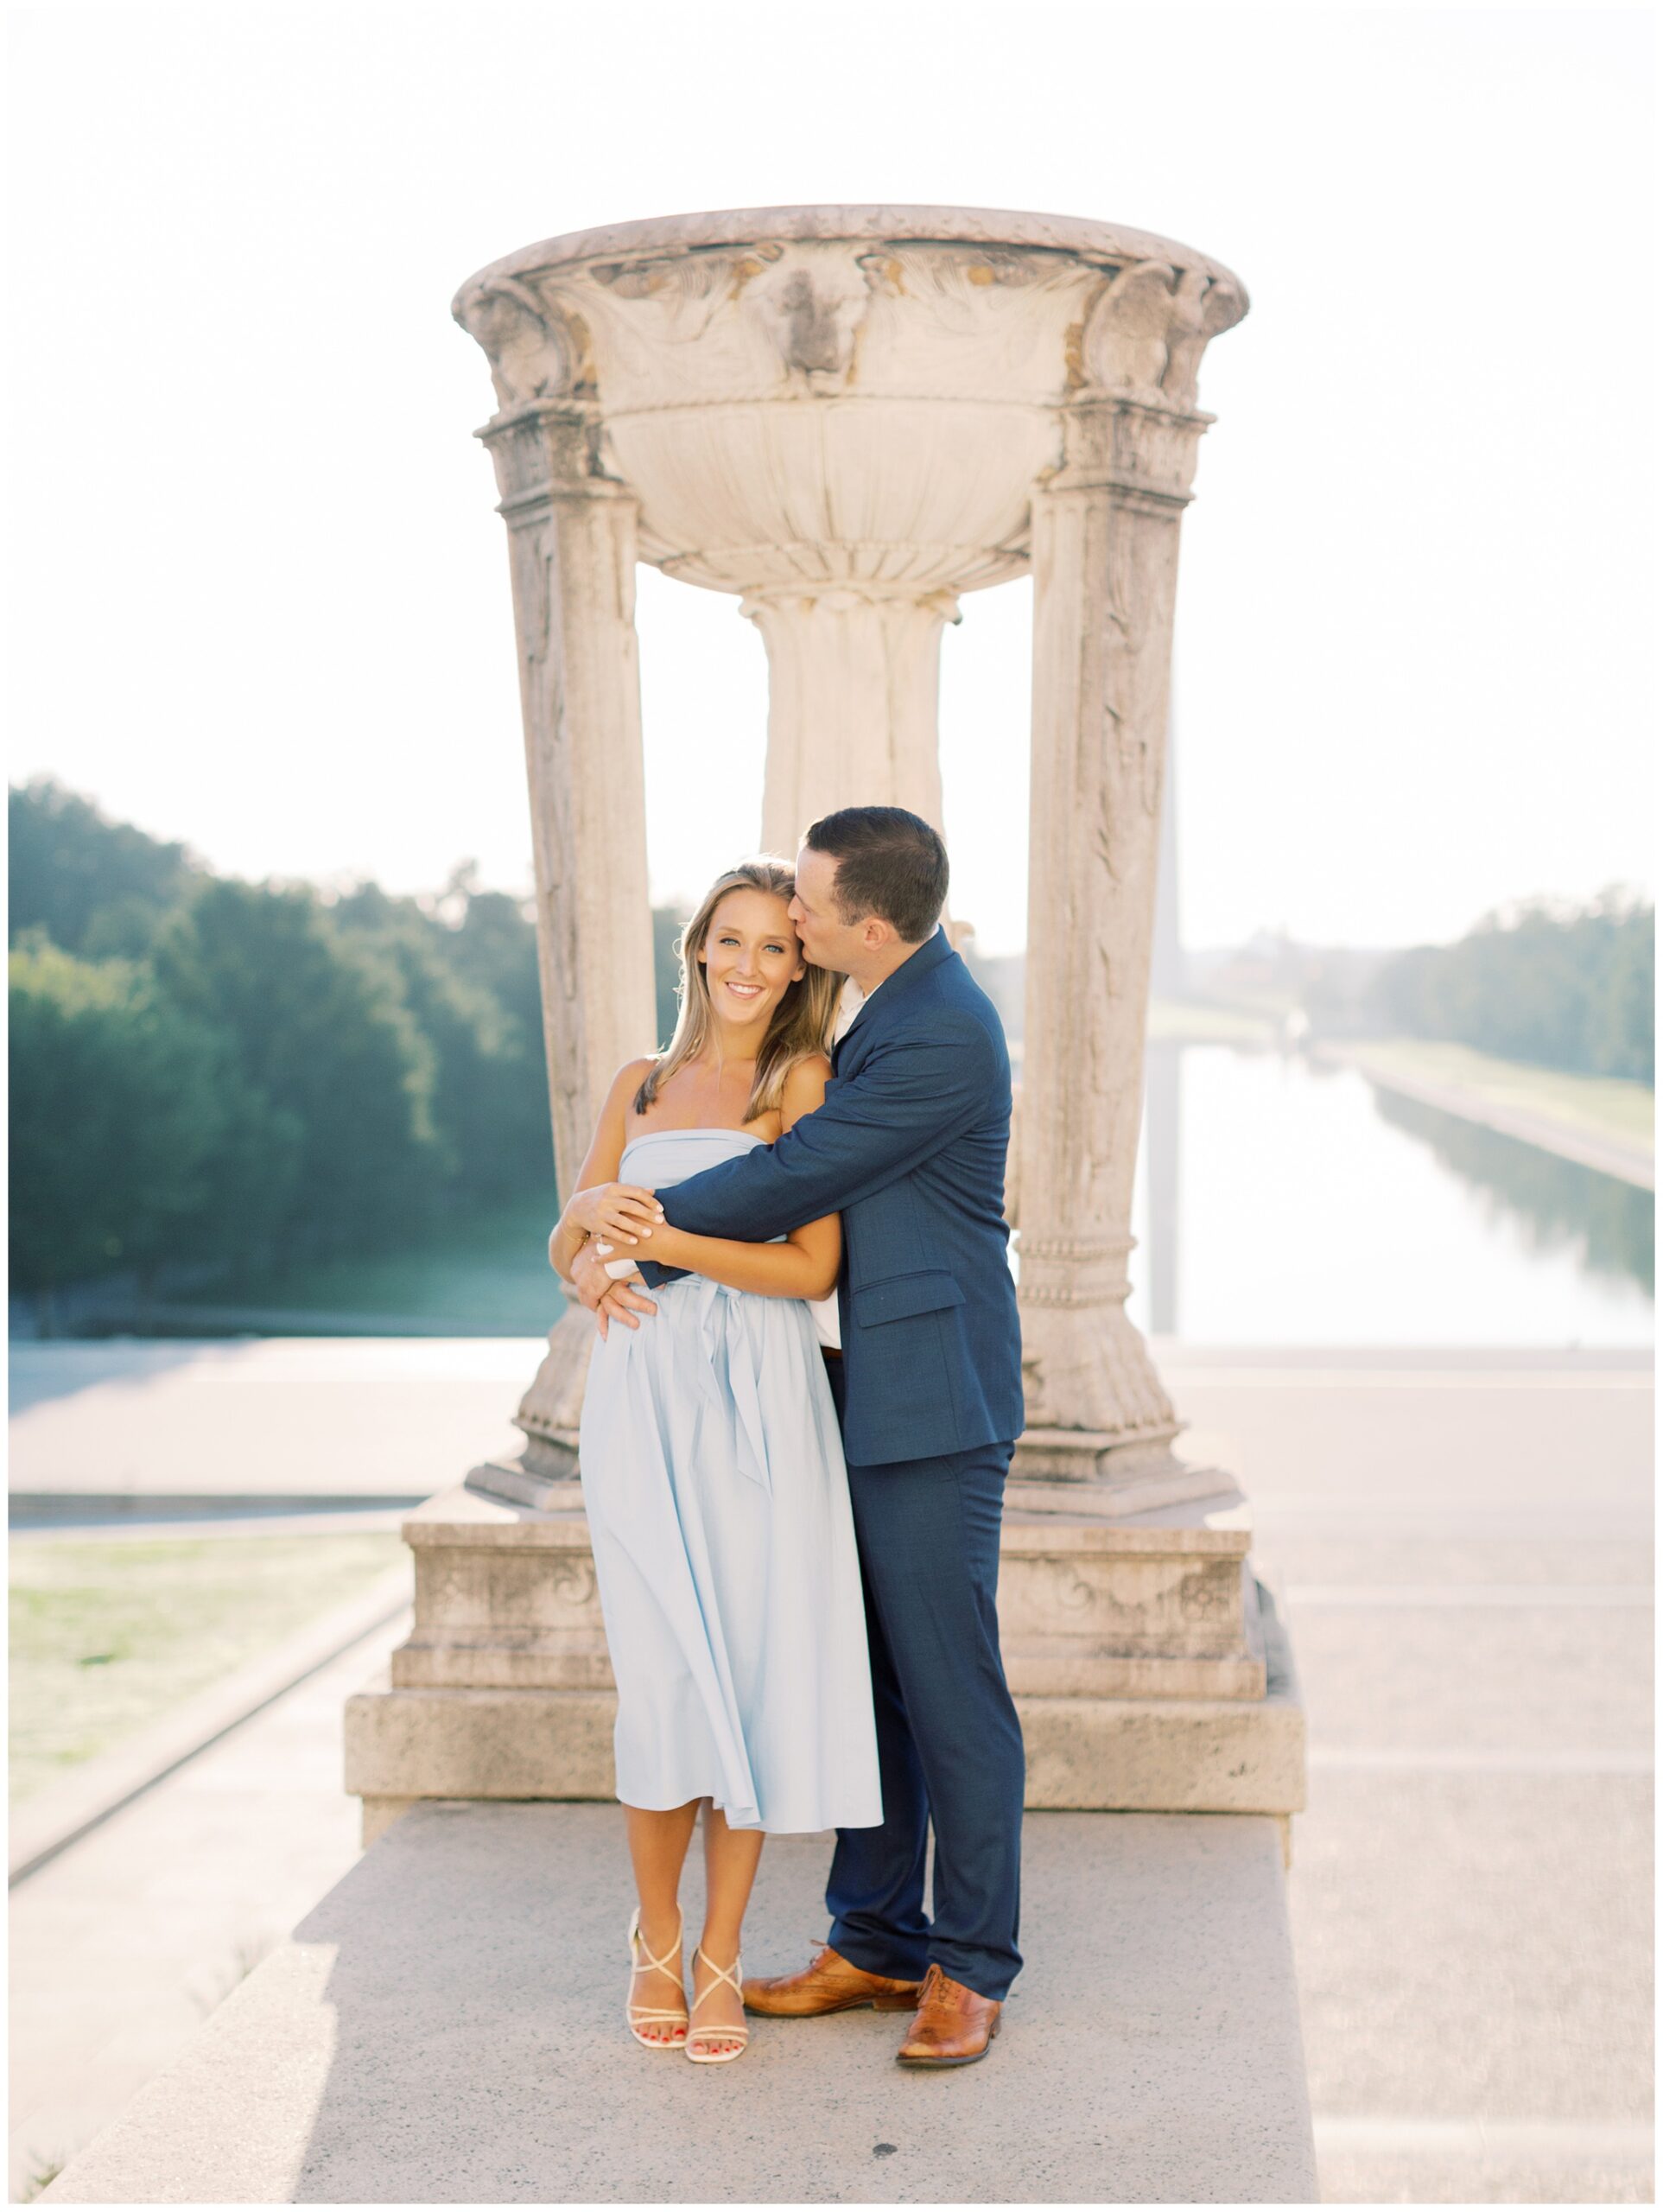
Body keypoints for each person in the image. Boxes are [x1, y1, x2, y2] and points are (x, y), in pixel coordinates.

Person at [574, 806, 1025, 2069]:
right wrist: (584, 1224)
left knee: (948, 1693)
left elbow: (791, 1178)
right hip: (845, 1388)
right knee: (867, 1683)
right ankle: (874, 1942)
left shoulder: (936, 1031)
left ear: (865, 926)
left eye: (812, 911)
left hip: (931, 1400)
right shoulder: (881, 1008)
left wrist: (618, 1242)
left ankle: (971, 1969)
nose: (796, 924)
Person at [549, 859, 882, 2066]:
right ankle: (652, 1938)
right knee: (659, 1676)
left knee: (740, 1671)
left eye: (773, 948)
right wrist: (585, 1267)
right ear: (695, 948)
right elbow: (573, 1222)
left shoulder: (801, 1083)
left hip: (758, 1400)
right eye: (728, 940)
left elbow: (808, 1270)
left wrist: (674, 1239)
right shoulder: (639, 1085)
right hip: (641, 1397)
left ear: (800, 967)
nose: (748, 965)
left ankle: (722, 1959)